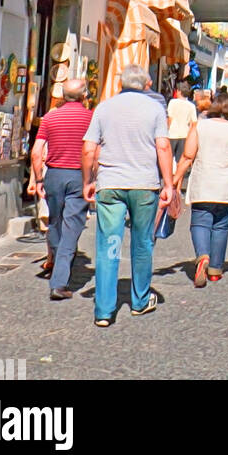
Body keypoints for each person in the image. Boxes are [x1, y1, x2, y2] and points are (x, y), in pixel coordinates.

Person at [81, 63, 174, 327]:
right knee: (142, 242)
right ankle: (140, 301)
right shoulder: (155, 109)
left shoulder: (104, 107)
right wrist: (168, 183)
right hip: (145, 184)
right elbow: (163, 146)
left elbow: (89, 149)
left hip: (110, 183)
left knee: (108, 244)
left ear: (121, 83)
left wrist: (88, 180)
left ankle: (104, 310)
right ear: (146, 84)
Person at [173, 91, 228, 286]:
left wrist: (175, 179)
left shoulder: (199, 126)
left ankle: (203, 256)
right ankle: (215, 269)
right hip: (227, 185)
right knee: (221, 226)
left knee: (200, 222)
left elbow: (187, 156)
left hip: (203, 182)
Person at [28, 79, 92, 300]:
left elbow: (37, 152)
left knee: (55, 222)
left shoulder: (50, 117)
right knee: (72, 226)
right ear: (84, 95)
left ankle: (57, 259)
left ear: (63, 96)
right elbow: (95, 151)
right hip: (78, 175)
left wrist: (37, 179)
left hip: (53, 175)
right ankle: (59, 281)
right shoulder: (91, 118)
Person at [167, 81, 197, 166]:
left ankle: (169, 176)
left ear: (179, 91)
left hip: (172, 133)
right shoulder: (191, 106)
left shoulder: (173, 102)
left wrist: (166, 129)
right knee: (180, 159)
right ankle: (178, 177)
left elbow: (170, 118)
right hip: (184, 134)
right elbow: (194, 123)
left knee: (169, 158)